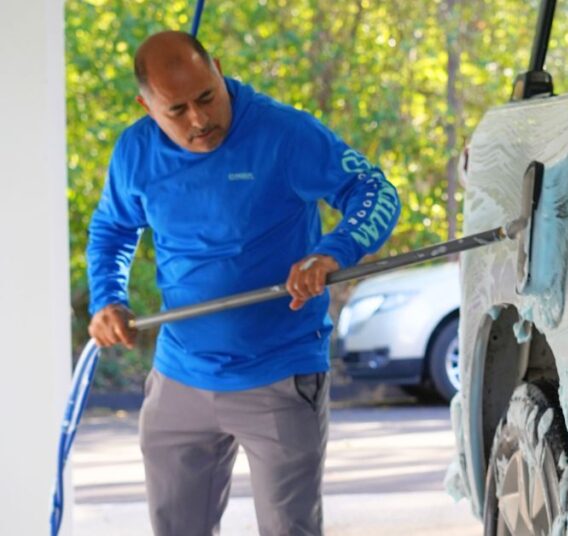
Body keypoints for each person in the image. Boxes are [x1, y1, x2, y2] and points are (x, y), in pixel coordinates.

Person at [85, 31, 400, 535]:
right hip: (178, 377)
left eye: (207, 96)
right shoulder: (135, 153)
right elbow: (113, 229)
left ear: (218, 66)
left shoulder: (286, 134)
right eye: (177, 110)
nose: (200, 120)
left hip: (278, 372)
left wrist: (330, 252)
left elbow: (374, 191)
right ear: (146, 107)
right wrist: (107, 298)